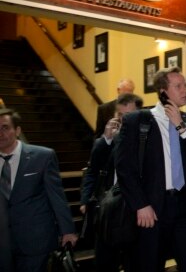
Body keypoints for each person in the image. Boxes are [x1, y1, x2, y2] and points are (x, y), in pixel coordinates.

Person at [114, 67, 186, 272]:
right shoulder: (137, 121)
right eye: (178, 86)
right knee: (149, 265)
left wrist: (182, 127)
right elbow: (124, 168)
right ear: (163, 91)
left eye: (185, 85)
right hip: (151, 208)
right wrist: (140, 204)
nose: (185, 89)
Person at [0, 109, 78, 271]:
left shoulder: (42, 156)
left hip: (35, 241)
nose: (0, 133)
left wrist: (68, 230)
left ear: (18, 130)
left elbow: (57, 197)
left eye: (5, 127)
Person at [80, 93, 143, 272]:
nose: (124, 121)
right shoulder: (110, 139)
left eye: (128, 115)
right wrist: (106, 138)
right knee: (104, 262)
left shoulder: (147, 139)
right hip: (108, 210)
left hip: (135, 210)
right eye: (121, 116)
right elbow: (93, 169)